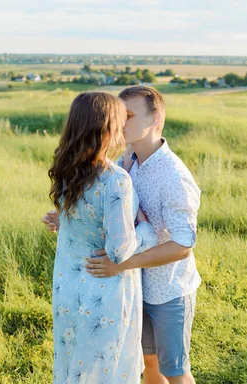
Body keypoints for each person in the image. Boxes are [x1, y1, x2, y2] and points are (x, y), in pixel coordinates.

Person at [43, 86, 201, 384]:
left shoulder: (174, 175)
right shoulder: (124, 164)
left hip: (167, 289)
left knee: (175, 371)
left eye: (128, 115)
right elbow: (104, 216)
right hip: (132, 288)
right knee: (148, 366)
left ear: (155, 119)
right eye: (119, 115)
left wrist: (123, 263)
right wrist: (68, 219)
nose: (119, 123)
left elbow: (182, 245)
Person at [48, 91, 157, 383]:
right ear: (107, 129)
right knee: (107, 370)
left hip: (67, 288)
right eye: (120, 122)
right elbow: (120, 251)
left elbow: (79, 222)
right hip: (104, 291)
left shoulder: (65, 170)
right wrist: (147, 231)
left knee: (74, 366)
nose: (124, 129)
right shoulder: (115, 179)